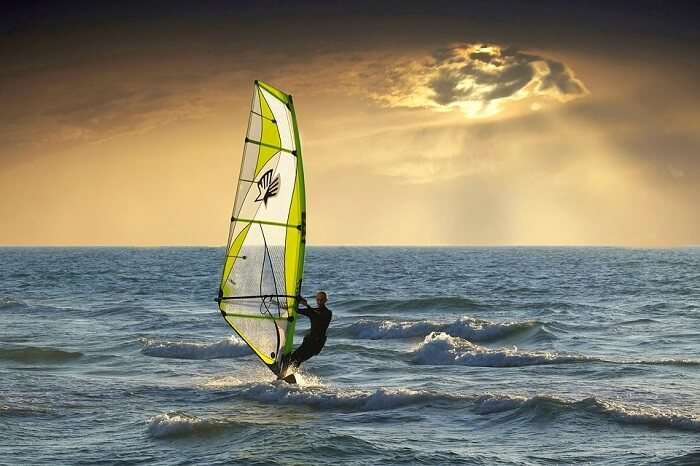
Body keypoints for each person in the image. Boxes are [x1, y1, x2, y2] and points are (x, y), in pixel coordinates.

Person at [282, 291, 332, 374]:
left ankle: (289, 374)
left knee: (296, 359)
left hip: (316, 344)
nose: (319, 302)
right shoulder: (312, 311)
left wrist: (306, 305)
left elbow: (318, 315)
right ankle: (289, 375)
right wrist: (290, 306)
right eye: (318, 299)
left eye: (321, 300)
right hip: (309, 342)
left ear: (326, 300)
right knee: (294, 359)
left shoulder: (328, 313)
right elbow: (297, 310)